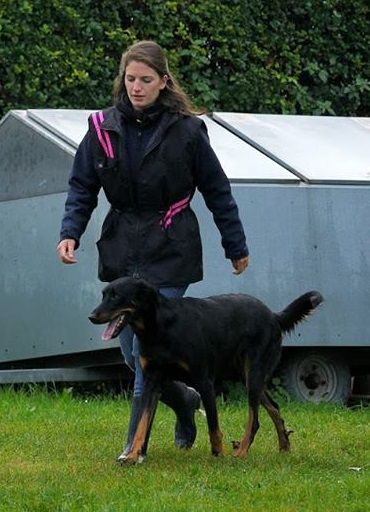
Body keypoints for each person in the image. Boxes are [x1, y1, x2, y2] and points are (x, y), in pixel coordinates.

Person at [57, 40, 249, 462]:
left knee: (148, 356)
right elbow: (81, 187)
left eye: (146, 80)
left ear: (164, 82)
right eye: (130, 79)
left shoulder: (188, 130)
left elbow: (217, 189)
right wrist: (70, 230)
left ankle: (134, 450)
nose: (137, 88)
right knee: (132, 355)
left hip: (171, 249)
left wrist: (234, 243)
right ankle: (183, 401)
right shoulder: (101, 128)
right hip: (122, 250)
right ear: (122, 80)